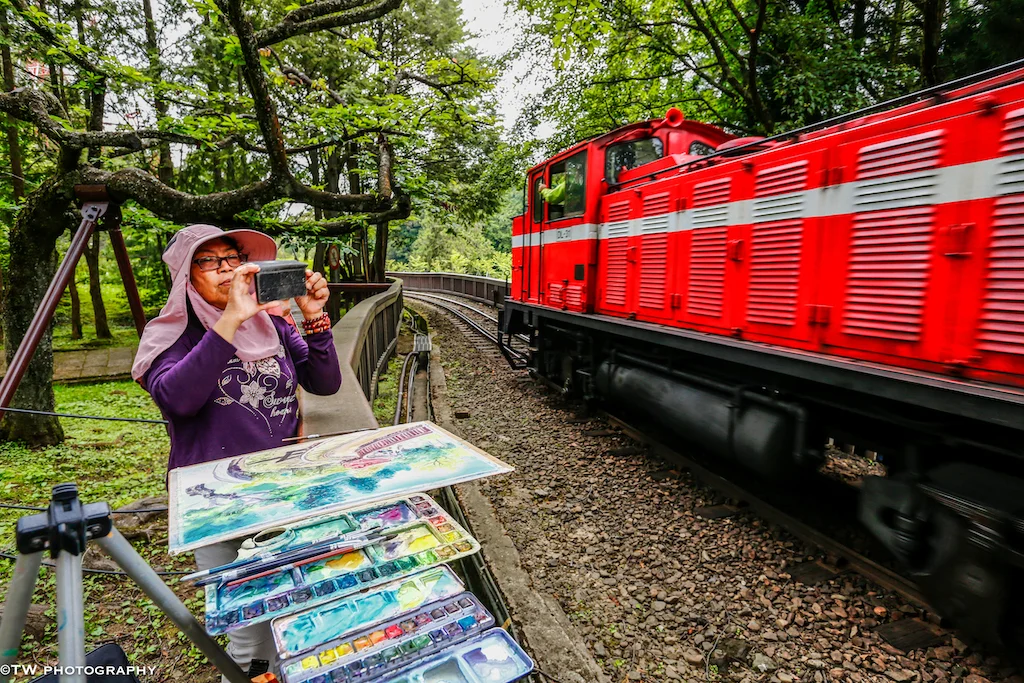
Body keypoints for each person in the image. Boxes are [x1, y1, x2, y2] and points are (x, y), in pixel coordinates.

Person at [130, 224, 343, 678]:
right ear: (187, 276)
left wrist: (315, 317)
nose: (226, 268)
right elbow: (177, 399)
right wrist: (230, 319)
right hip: (216, 502)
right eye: (210, 261)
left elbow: (325, 383)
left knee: (297, 595)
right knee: (247, 621)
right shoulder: (171, 334)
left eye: (233, 258)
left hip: (285, 489)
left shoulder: (275, 324)